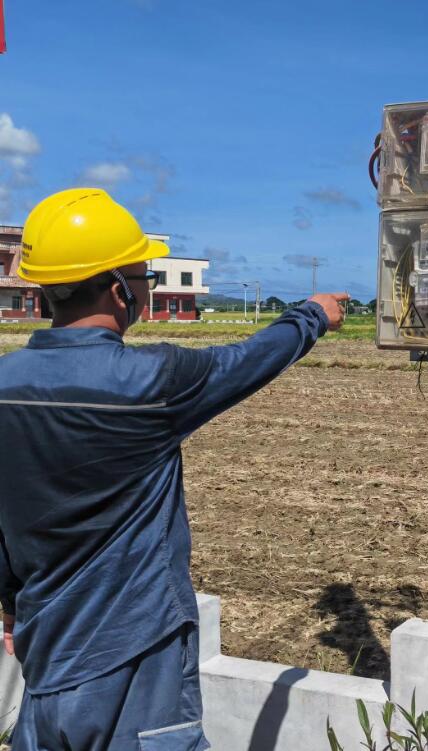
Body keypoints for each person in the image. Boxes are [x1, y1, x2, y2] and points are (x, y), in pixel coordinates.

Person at [0, 188, 349, 749]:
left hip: (46, 659)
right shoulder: (153, 380)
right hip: (135, 653)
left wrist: (12, 609)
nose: (148, 288)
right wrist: (312, 315)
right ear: (119, 289)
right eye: (146, 277)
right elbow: (249, 360)